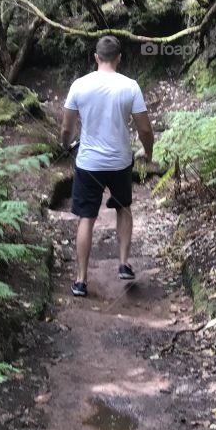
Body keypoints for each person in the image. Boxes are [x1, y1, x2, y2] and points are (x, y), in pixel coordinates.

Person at [59, 34, 154, 297]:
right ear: (119, 58)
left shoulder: (79, 85)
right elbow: (144, 127)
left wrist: (65, 144)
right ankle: (123, 264)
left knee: (86, 217)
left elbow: (67, 127)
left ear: (96, 58)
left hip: (89, 162)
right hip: (120, 161)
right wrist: (148, 152)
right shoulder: (130, 86)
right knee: (123, 208)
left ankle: (80, 280)